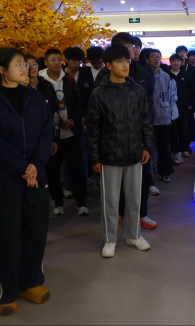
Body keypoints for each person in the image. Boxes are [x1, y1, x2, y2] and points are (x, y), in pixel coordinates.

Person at [0, 48, 53, 316]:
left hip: (36, 172)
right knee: (6, 233)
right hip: (5, 175)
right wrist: (22, 167)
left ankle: (30, 282)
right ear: (1, 70)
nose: (25, 68)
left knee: (35, 229)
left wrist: (37, 164)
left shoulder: (35, 96)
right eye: (18, 64)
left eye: (25, 64)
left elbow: (46, 132)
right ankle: (6, 290)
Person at [85, 45, 154, 258]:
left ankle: (134, 235)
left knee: (134, 198)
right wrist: (95, 158)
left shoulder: (137, 90)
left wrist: (147, 146)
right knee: (110, 201)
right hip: (109, 154)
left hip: (135, 152)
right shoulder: (99, 94)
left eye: (127, 61)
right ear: (109, 65)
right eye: (119, 61)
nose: (125, 65)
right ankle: (110, 239)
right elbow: (93, 130)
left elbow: (146, 120)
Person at [39, 49, 87, 216]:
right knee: (53, 170)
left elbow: (79, 102)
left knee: (77, 168)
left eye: (59, 59)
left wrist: (74, 119)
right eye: (53, 59)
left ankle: (81, 202)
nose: (56, 63)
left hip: (71, 131)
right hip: (52, 135)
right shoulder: (40, 81)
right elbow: (44, 108)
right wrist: (60, 122)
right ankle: (58, 202)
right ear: (45, 61)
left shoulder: (68, 78)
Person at [148, 49, 177, 183]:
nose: (156, 59)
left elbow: (170, 96)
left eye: (158, 57)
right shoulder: (145, 75)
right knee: (150, 147)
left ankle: (165, 172)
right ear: (147, 59)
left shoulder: (165, 76)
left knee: (164, 146)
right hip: (148, 118)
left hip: (163, 116)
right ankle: (150, 173)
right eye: (153, 56)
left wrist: (170, 114)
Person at [168, 54, 195, 159]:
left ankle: (185, 149)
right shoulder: (166, 75)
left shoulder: (186, 75)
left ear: (181, 62)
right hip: (170, 107)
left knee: (183, 128)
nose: (176, 63)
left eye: (178, 61)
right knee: (171, 129)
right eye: (174, 61)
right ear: (170, 62)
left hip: (184, 107)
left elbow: (192, 90)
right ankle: (174, 150)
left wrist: (191, 104)